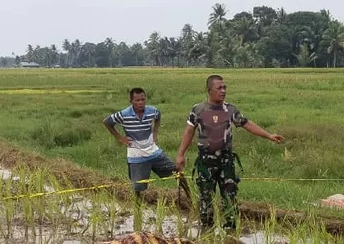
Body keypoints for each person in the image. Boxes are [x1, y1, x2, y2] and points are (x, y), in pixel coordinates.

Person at [175, 75, 284, 230]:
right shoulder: (198, 110)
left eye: (224, 87)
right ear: (209, 90)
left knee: (230, 198)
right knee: (206, 198)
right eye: (219, 88)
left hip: (226, 161)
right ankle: (207, 234)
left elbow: (247, 124)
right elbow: (189, 132)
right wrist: (180, 154)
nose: (223, 91)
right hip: (206, 162)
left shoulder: (230, 110)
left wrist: (269, 135)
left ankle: (231, 234)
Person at [103, 88, 178, 198]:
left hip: (153, 151)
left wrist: (155, 133)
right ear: (131, 101)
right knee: (138, 187)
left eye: (143, 99)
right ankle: (138, 208)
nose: (140, 103)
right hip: (136, 155)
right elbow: (107, 122)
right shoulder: (124, 114)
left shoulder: (152, 110)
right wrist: (120, 138)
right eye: (137, 100)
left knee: (176, 172)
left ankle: (189, 198)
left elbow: (158, 116)